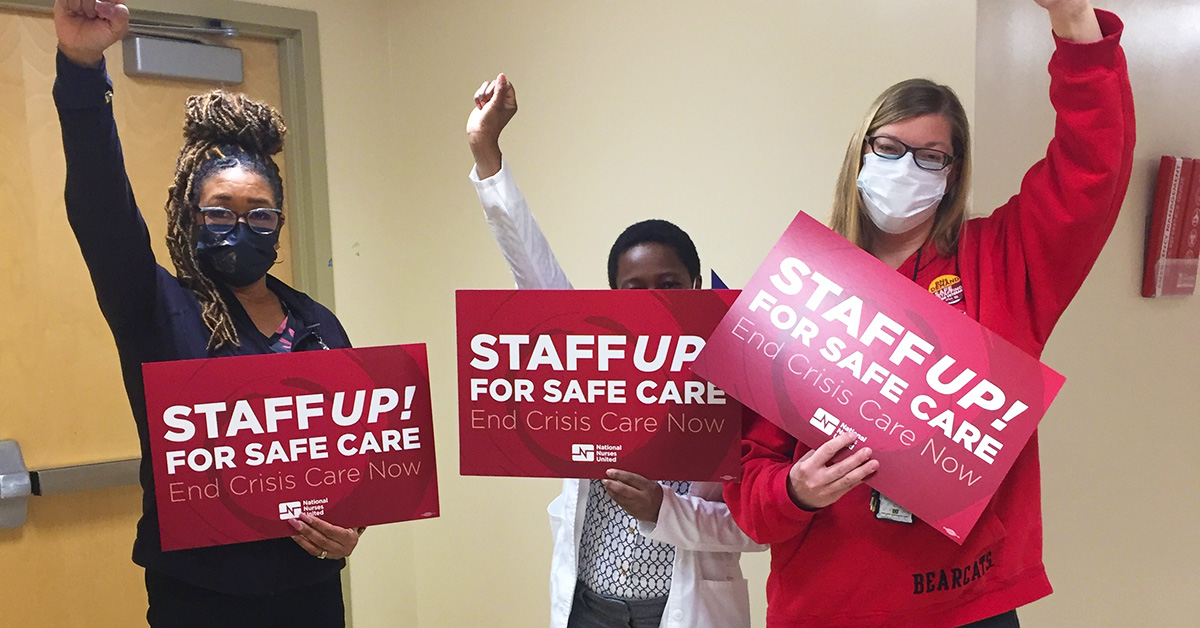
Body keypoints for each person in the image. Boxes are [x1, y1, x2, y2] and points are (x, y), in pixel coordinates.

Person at [724, 1, 1135, 627]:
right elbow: (750, 497)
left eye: (930, 157)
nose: (906, 169)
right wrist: (796, 491)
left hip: (967, 605)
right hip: (827, 609)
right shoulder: (797, 290)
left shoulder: (1002, 260)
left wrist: (1075, 22)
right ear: (860, 155)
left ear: (953, 173)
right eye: (889, 149)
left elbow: (1090, 171)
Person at [53, 2, 363, 626]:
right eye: (219, 209)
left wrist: (352, 523)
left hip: (312, 592)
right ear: (187, 214)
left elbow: (350, 460)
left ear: (279, 225)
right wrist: (82, 69)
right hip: (199, 600)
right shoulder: (156, 308)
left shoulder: (319, 325)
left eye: (260, 212)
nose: (240, 226)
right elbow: (100, 209)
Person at [467, 74, 765, 628]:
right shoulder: (589, 355)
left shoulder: (735, 372)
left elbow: (759, 526)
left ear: (698, 287)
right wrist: (488, 155)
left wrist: (664, 509)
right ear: (613, 299)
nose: (654, 301)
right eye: (635, 289)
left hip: (681, 609)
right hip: (588, 606)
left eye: (670, 284)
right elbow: (532, 273)